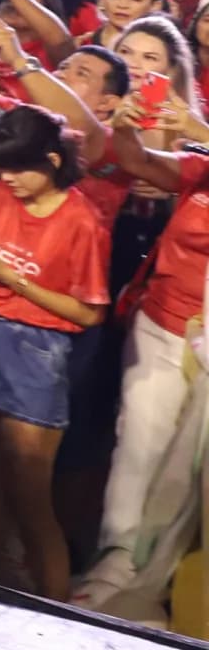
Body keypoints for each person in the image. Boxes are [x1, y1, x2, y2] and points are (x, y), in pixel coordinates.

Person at [0, 105, 109, 600]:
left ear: (52, 160)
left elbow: (89, 313)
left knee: (31, 497)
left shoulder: (82, 222)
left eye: (19, 170)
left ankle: (54, 612)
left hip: (32, 348)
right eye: (0, 168)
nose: (7, 180)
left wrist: (11, 279)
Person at [78, 89, 209, 610]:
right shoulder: (201, 172)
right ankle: (114, 570)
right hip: (163, 325)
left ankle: (170, 586)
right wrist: (127, 127)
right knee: (138, 447)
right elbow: (135, 161)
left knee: (191, 471)